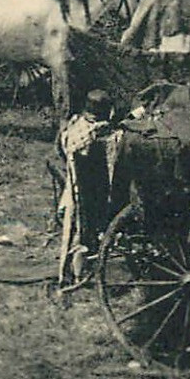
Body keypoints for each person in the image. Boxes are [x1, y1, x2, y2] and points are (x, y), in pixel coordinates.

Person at [56, 89, 119, 285]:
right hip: (85, 192)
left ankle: (76, 271)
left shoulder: (75, 126)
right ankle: (74, 276)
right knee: (79, 233)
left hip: (77, 185)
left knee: (78, 232)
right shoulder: (97, 134)